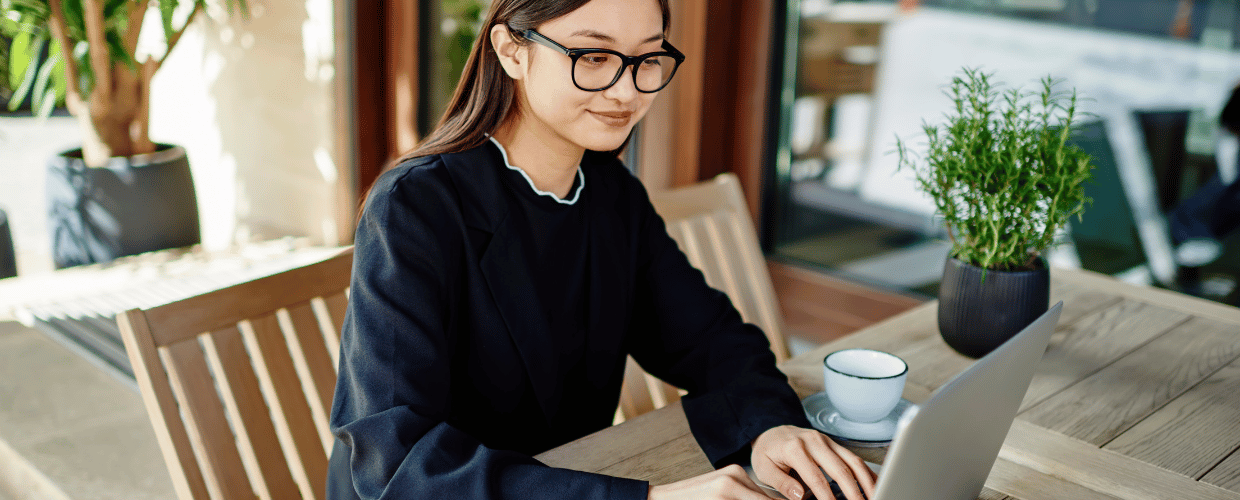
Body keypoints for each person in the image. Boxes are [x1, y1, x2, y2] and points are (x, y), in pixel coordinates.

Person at [326, 1, 878, 499]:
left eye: (647, 58)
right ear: (511, 50)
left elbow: (714, 342)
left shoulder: (611, 195)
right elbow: (396, 463)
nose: (627, 91)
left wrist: (769, 428)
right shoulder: (415, 207)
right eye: (593, 57)